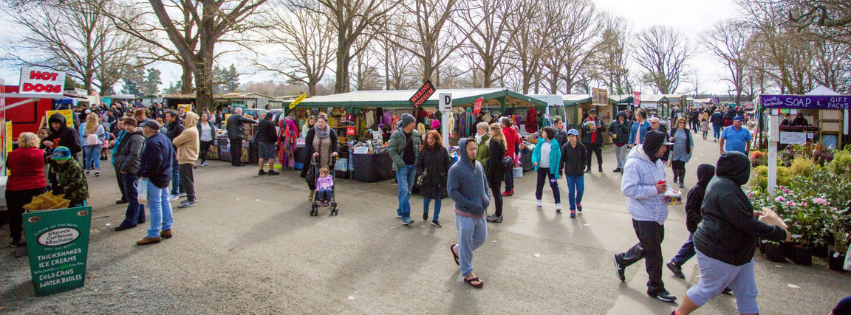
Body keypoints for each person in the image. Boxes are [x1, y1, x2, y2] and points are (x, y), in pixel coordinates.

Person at [673, 152, 791, 315]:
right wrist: (778, 233)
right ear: (738, 170)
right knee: (708, 289)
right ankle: (678, 313)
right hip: (719, 250)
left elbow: (734, 214)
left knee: (746, 292)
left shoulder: (723, 183)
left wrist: (752, 213)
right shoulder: (725, 189)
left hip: (738, 252)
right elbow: (744, 222)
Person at [613, 130, 677, 303]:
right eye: (664, 146)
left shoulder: (656, 161)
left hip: (657, 212)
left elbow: (663, 180)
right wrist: (654, 190)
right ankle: (656, 287)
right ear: (654, 146)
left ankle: (622, 259)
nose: (665, 150)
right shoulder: (634, 163)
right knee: (655, 253)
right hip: (643, 214)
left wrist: (670, 192)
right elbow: (627, 189)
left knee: (652, 244)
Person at [448, 138, 490, 289]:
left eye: (475, 148)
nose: (474, 151)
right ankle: (467, 273)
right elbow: (452, 191)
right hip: (464, 213)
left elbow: (484, 182)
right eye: (470, 149)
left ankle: (458, 250)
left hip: (480, 211)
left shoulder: (478, 165)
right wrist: (469, 203)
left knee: (481, 237)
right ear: (463, 151)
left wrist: (487, 198)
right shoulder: (456, 169)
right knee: (466, 241)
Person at [666, 164, 715, 280]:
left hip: (703, 225)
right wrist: (700, 220)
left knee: (694, 245)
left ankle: (676, 262)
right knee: (701, 248)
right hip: (697, 225)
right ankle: (714, 278)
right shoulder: (697, 191)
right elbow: (689, 209)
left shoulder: (708, 189)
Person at [5, 133, 47, 247]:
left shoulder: (12, 154)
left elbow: (9, 167)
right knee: (37, 213)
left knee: (15, 214)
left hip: (15, 188)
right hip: (37, 186)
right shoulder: (41, 154)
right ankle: (38, 237)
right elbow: (43, 165)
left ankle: (16, 238)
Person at [137, 120, 175, 246]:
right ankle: (167, 228)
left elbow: (155, 161)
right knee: (164, 201)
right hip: (164, 175)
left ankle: (154, 233)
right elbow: (171, 156)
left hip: (155, 177)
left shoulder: (153, 142)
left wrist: (144, 173)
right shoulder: (164, 138)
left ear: (148, 129)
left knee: (155, 205)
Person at [113, 118, 147, 231]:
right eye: (125, 125)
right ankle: (140, 217)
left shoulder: (136, 137)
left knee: (132, 196)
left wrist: (123, 167)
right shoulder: (129, 135)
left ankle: (130, 221)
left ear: (134, 125)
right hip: (129, 168)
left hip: (131, 169)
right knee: (135, 195)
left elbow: (134, 154)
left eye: (129, 125)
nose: (126, 127)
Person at [388, 113, 420, 225]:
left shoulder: (416, 134)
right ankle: (406, 216)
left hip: (413, 166)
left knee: (408, 191)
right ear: (407, 123)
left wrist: (417, 161)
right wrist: (400, 163)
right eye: (413, 122)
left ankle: (400, 211)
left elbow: (418, 149)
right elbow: (391, 150)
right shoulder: (396, 135)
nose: (414, 124)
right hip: (402, 167)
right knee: (404, 190)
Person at [415, 130, 451, 227]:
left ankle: (435, 219)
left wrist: (447, 174)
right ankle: (425, 211)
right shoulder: (423, 151)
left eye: (432, 138)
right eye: (428, 138)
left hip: (440, 178)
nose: (430, 140)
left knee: (438, 199)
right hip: (428, 178)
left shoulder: (442, 150)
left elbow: (447, 163)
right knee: (427, 198)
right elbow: (419, 165)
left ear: (436, 139)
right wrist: (421, 173)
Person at [300, 116, 339, 201]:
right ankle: (311, 191)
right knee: (312, 177)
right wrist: (313, 152)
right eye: (319, 122)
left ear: (326, 123)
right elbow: (308, 143)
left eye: (322, 122)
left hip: (327, 159)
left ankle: (327, 194)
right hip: (314, 159)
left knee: (326, 177)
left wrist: (335, 151)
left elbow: (335, 142)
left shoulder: (331, 132)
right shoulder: (312, 131)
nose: (320, 124)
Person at [172, 112, 200, 209]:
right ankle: (190, 197)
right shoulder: (191, 129)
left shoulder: (189, 131)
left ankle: (191, 199)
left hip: (186, 157)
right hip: (186, 157)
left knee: (186, 179)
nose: (182, 121)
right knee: (186, 179)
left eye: (184, 118)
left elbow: (175, 141)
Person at [531, 127, 562, 212]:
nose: (543, 133)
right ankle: (539, 199)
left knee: (554, 185)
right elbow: (535, 153)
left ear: (548, 133)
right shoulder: (540, 142)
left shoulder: (555, 144)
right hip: (541, 168)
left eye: (544, 132)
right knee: (540, 184)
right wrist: (534, 161)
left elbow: (559, 157)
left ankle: (557, 203)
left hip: (551, 169)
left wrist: (559, 169)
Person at [559, 129, 586, 218]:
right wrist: (560, 171)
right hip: (569, 172)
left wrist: (582, 167)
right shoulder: (566, 147)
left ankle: (578, 201)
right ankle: (572, 209)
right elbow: (562, 159)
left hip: (579, 172)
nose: (571, 138)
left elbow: (585, 158)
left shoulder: (581, 146)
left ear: (577, 137)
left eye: (573, 136)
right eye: (570, 136)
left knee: (580, 190)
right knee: (571, 191)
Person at [485, 123, 507, 223]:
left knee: (496, 193)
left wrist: (489, 174)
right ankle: (498, 213)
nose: (489, 132)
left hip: (495, 171)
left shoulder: (494, 142)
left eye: (490, 130)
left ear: (493, 131)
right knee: (498, 193)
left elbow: (493, 160)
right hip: (500, 169)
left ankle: (498, 215)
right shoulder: (501, 141)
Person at [164, 111, 185, 200]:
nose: (166, 118)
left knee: (175, 172)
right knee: (176, 172)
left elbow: (180, 140)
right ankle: (181, 190)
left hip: (176, 152)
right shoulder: (169, 126)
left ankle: (175, 192)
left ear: (174, 117)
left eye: (168, 116)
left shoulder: (178, 127)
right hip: (172, 151)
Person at [669, 117, 694, 188]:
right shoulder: (673, 130)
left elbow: (691, 141)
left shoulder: (687, 131)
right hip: (674, 152)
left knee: (681, 166)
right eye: (680, 122)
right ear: (678, 123)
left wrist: (691, 150)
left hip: (683, 152)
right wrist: (669, 139)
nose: (682, 124)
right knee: (674, 166)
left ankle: (681, 181)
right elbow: (667, 139)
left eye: (683, 123)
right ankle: (675, 175)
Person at [255, 111, 280, 175]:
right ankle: (270, 170)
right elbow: (273, 134)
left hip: (260, 140)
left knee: (261, 156)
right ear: (271, 117)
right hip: (268, 141)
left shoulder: (260, 122)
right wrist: (275, 140)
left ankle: (260, 170)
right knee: (271, 156)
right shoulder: (270, 123)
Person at [501, 117, 520, 196]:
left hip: (505, 154)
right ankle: (511, 188)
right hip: (511, 154)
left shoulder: (502, 132)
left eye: (501, 122)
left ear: (504, 123)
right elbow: (518, 141)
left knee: (507, 173)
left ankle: (508, 189)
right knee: (510, 172)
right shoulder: (514, 132)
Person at [111, 119, 128, 204]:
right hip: (116, 158)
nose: (119, 125)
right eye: (118, 123)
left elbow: (123, 145)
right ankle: (124, 196)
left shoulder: (126, 134)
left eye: (121, 123)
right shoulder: (120, 133)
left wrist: (114, 143)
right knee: (120, 180)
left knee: (123, 180)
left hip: (122, 159)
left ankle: (126, 196)